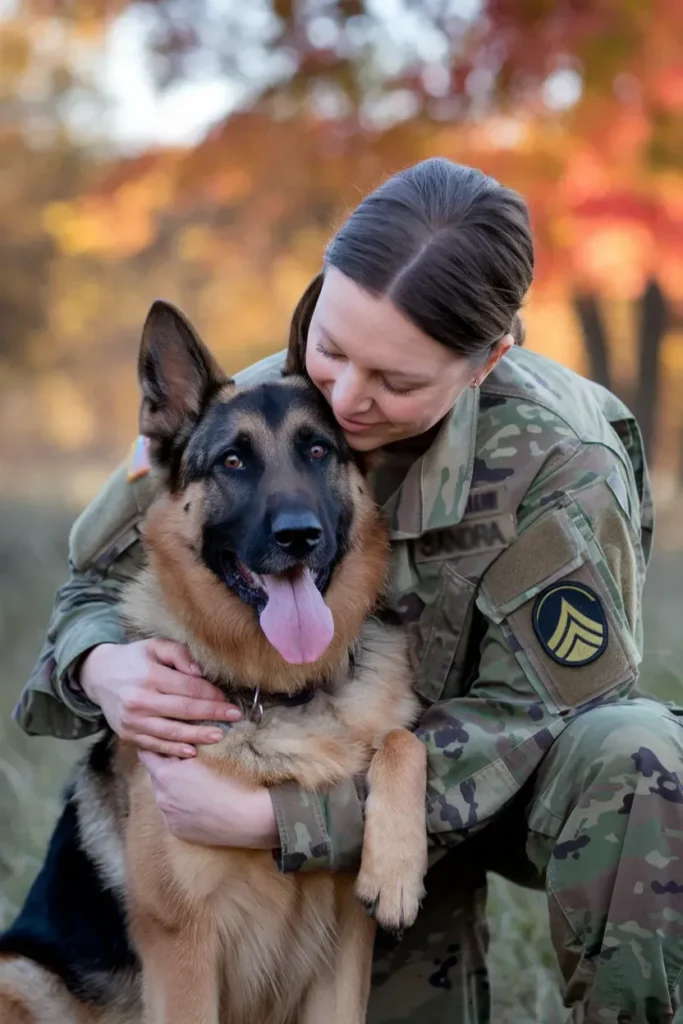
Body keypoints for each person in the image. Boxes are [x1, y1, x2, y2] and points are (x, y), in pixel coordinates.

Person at [13, 158, 683, 1024]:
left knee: (639, 755)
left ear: (485, 363)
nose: (346, 398)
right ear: (320, 299)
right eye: (331, 349)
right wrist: (102, 664)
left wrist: (277, 821)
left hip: (468, 790)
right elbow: (99, 575)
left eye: (396, 381)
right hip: (338, 791)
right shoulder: (262, 399)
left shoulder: (561, 463)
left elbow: (532, 720)